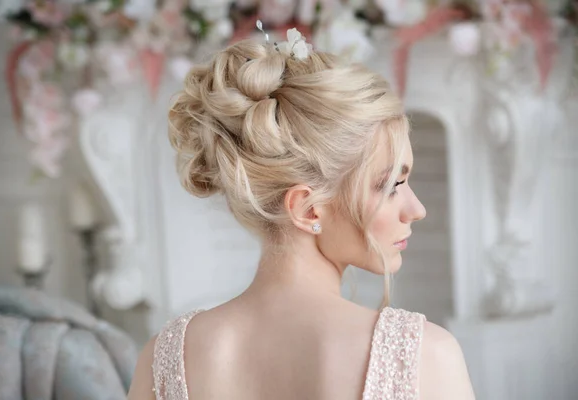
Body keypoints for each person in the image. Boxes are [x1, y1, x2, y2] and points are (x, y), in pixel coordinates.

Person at [128, 30, 475, 400]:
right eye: (392, 186)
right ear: (308, 209)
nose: (416, 209)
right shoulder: (424, 355)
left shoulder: (164, 358)